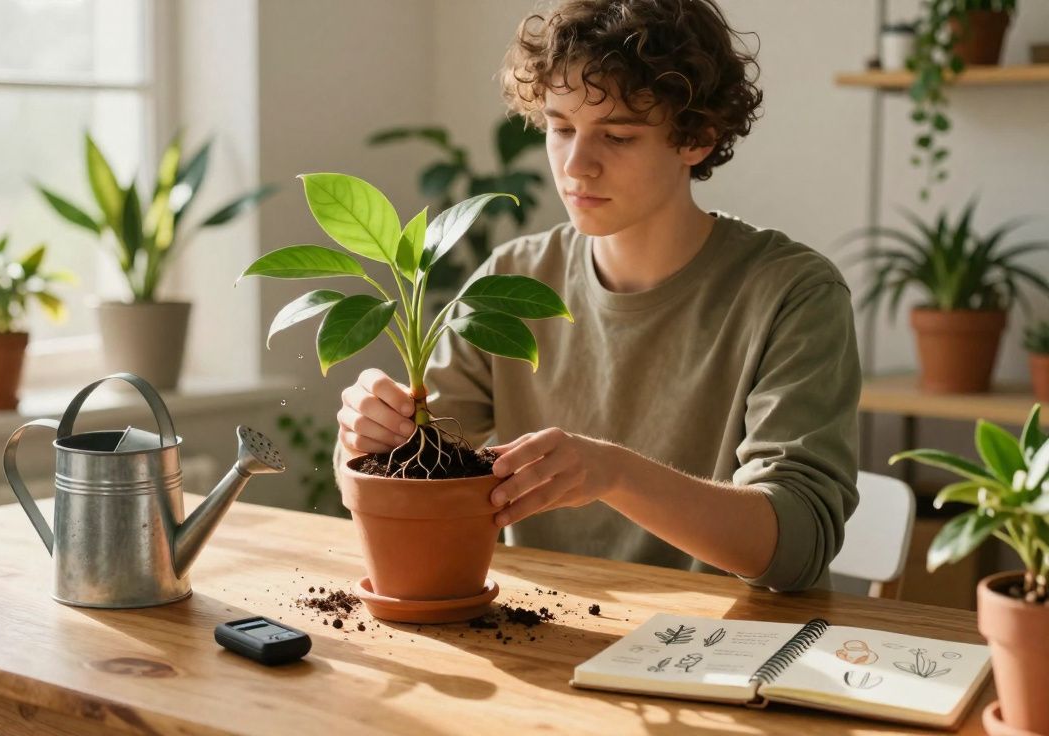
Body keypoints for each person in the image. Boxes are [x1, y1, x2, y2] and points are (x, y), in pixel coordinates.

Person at [336, 0, 860, 592]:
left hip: (716, 652)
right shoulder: (513, 279)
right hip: (549, 634)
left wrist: (613, 473)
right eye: (561, 129)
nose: (576, 166)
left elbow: (796, 547)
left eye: (617, 135)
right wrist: (367, 435)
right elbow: (394, 474)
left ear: (697, 139)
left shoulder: (792, 293)